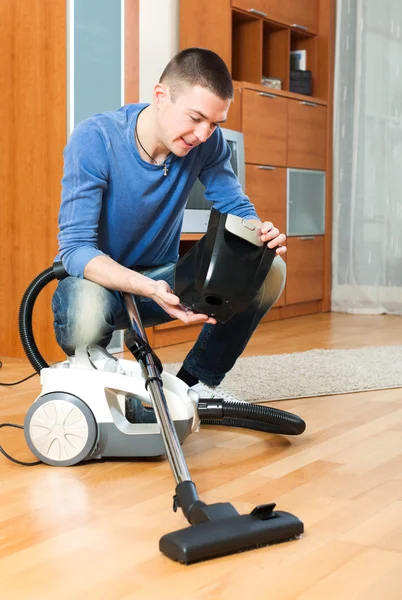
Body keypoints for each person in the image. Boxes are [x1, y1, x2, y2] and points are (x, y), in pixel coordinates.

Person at [52, 47, 287, 414]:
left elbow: (237, 209)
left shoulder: (207, 144)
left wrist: (260, 235)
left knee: (268, 270)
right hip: (97, 286)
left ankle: (196, 384)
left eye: (214, 124)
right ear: (161, 96)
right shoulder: (96, 138)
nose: (202, 134)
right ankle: (99, 377)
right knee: (84, 311)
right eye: (195, 118)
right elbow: (76, 249)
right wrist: (146, 287)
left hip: (162, 282)